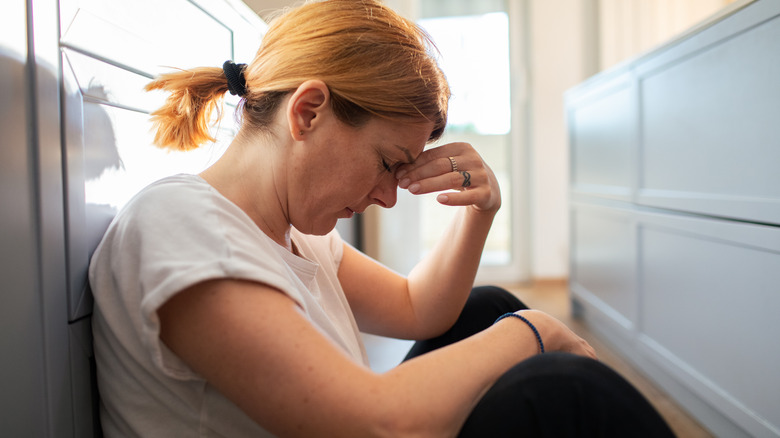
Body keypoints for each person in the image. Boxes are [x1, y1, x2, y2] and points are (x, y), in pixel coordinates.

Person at [89, 0, 676, 436]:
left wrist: (481, 212)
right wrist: (538, 332)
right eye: (386, 164)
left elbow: (422, 309)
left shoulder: (289, 235)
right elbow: (371, 424)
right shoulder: (182, 227)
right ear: (309, 111)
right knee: (558, 388)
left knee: (487, 309)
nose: (389, 197)